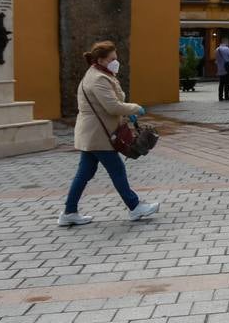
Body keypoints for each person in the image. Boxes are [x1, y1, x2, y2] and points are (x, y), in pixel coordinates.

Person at [60, 41, 159, 226]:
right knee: (117, 170)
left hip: (94, 133)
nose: (116, 61)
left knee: (85, 173)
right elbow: (112, 106)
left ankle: (69, 211)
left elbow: (112, 104)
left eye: (116, 58)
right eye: (112, 58)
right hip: (99, 134)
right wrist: (135, 109)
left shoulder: (102, 75)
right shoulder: (98, 79)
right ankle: (135, 206)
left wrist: (126, 114)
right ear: (101, 60)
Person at [215, 37, 229, 102]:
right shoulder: (227, 49)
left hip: (220, 68)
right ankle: (227, 96)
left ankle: (220, 97)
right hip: (227, 68)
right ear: (226, 42)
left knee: (221, 83)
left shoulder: (217, 49)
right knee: (227, 83)